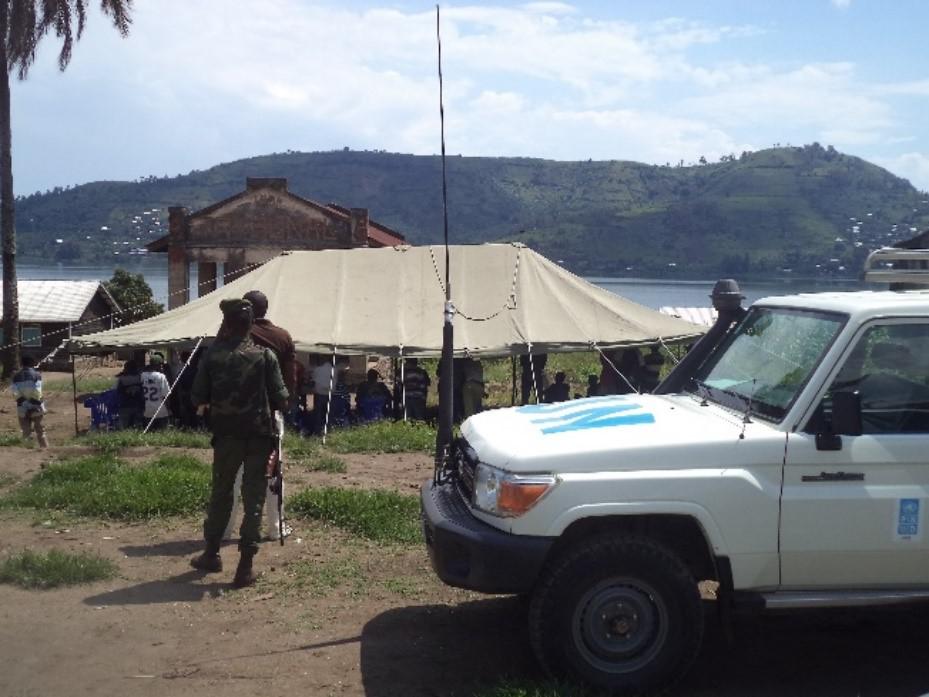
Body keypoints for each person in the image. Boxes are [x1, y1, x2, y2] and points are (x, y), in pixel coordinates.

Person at [190, 298, 288, 588]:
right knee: (254, 497)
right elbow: (282, 398)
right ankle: (245, 567)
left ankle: (211, 553)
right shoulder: (265, 356)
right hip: (259, 436)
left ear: (227, 322)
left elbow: (197, 397)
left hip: (226, 437)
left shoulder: (213, 356)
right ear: (250, 324)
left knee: (221, 493)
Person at [244, 289, 296, 540]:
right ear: (266, 309)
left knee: (232, 474)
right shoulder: (283, 337)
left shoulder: (235, 336)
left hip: (237, 415)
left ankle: (225, 528)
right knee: (273, 471)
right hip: (271, 415)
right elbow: (289, 380)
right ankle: (275, 528)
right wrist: (284, 406)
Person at [12, 356, 48, 448]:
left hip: (22, 409)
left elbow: (15, 393)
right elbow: (37, 391)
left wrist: (25, 405)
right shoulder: (37, 375)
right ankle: (45, 451)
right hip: (36, 408)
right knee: (40, 431)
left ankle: (25, 452)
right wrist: (32, 405)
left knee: (26, 432)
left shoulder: (16, 376)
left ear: (22, 364)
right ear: (32, 364)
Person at [140, 353, 172, 430]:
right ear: (156, 365)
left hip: (147, 410)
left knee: (149, 433)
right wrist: (169, 409)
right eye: (160, 364)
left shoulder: (143, 375)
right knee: (162, 434)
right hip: (161, 410)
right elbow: (166, 395)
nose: (161, 366)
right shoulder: (161, 376)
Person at [113, 359, 144, 429]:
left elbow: (114, 390)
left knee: (124, 427)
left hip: (125, 406)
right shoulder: (140, 377)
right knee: (138, 427)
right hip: (138, 405)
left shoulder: (121, 378)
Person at [311, 355, 335, 435]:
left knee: (318, 414)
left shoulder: (317, 369)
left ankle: (317, 431)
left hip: (319, 394)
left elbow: (313, 379)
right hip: (330, 394)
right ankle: (328, 431)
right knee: (328, 414)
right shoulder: (334, 370)